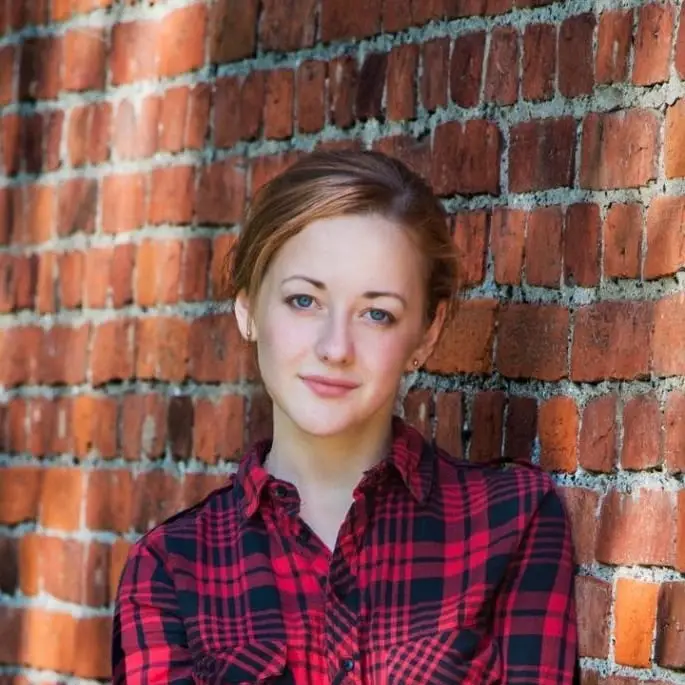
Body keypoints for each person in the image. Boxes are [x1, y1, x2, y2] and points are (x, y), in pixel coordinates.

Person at [112, 150, 578, 684]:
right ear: (247, 307)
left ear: (426, 334)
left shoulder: (512, 522)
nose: (335, 347)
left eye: (377, 314)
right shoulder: (172, 571)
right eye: (304, 300)